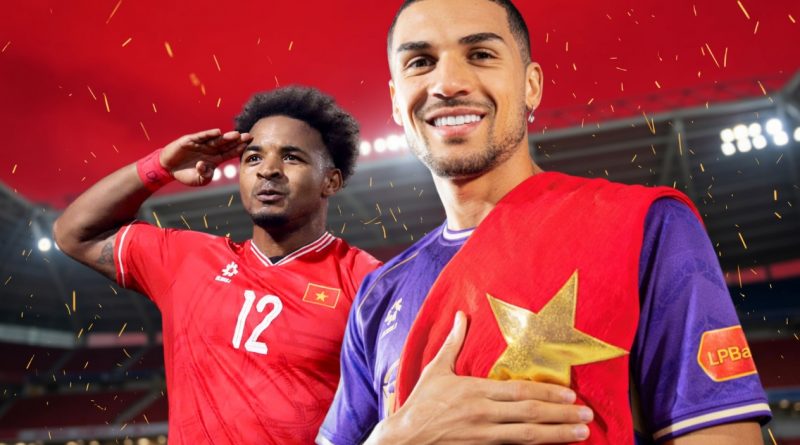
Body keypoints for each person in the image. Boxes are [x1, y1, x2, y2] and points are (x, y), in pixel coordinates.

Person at [317, 1, 771, 444]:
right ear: (396, 102)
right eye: (420, 62)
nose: (449, 83)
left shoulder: (643, 226)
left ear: (531, 86)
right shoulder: (377, 296)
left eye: (481, 54)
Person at [53, 86, 381, 444]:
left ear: (330, 181)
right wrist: (160, 166)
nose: (268, 170)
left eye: (291, 157)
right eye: (253, 158)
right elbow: (73, 233)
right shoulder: (187, 261)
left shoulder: (369, 283)